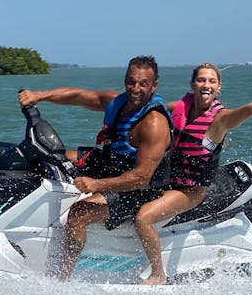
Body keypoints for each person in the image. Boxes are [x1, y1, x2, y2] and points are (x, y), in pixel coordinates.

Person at [133, 63, 252, 285]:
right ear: (193, 84)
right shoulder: (180, 107)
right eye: (201, 80)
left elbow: (250, 108)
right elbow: (149, 109)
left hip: (191, 191)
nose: (206, 85)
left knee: (144, 219)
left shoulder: (219, 120)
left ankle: (157, 274)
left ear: (218, 87)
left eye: (212, 81)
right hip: (166, 181)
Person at [18, 55, 173, 281]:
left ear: (154, 86)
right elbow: (80, 96)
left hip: (140, 189)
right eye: (131, 82)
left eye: (143, 84)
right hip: (113, 164)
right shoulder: (119, 103)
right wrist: (38, 96)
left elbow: (142, 177)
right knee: (55, 158)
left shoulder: (154, 124)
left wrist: (96, 184)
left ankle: (64, 276)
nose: (135, 88)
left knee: (79, 213)